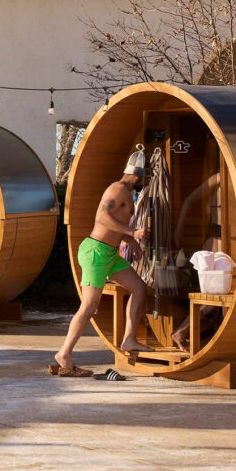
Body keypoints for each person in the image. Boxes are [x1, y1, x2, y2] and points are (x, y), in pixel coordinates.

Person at [51, 148, 150, 377]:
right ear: (139, 175)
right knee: (88, 306)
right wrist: (133, 233)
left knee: (139, 288)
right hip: (96, 252)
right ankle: (64, 353)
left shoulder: (126, 192)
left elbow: (114, 224)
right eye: (145, 179)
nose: (145, 183)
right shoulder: (117, 189)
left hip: (110, 254)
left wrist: (128, 239)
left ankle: (129, 339)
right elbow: (102, 218)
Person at [170, 173, 221, 353]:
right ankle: (183, 331)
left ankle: (185, 331)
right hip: (217, 240)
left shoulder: (232, 177)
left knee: (213, 294)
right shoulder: (220, 177)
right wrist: (179, 228)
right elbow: (189, 200)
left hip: (222, 239)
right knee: (214, 294)